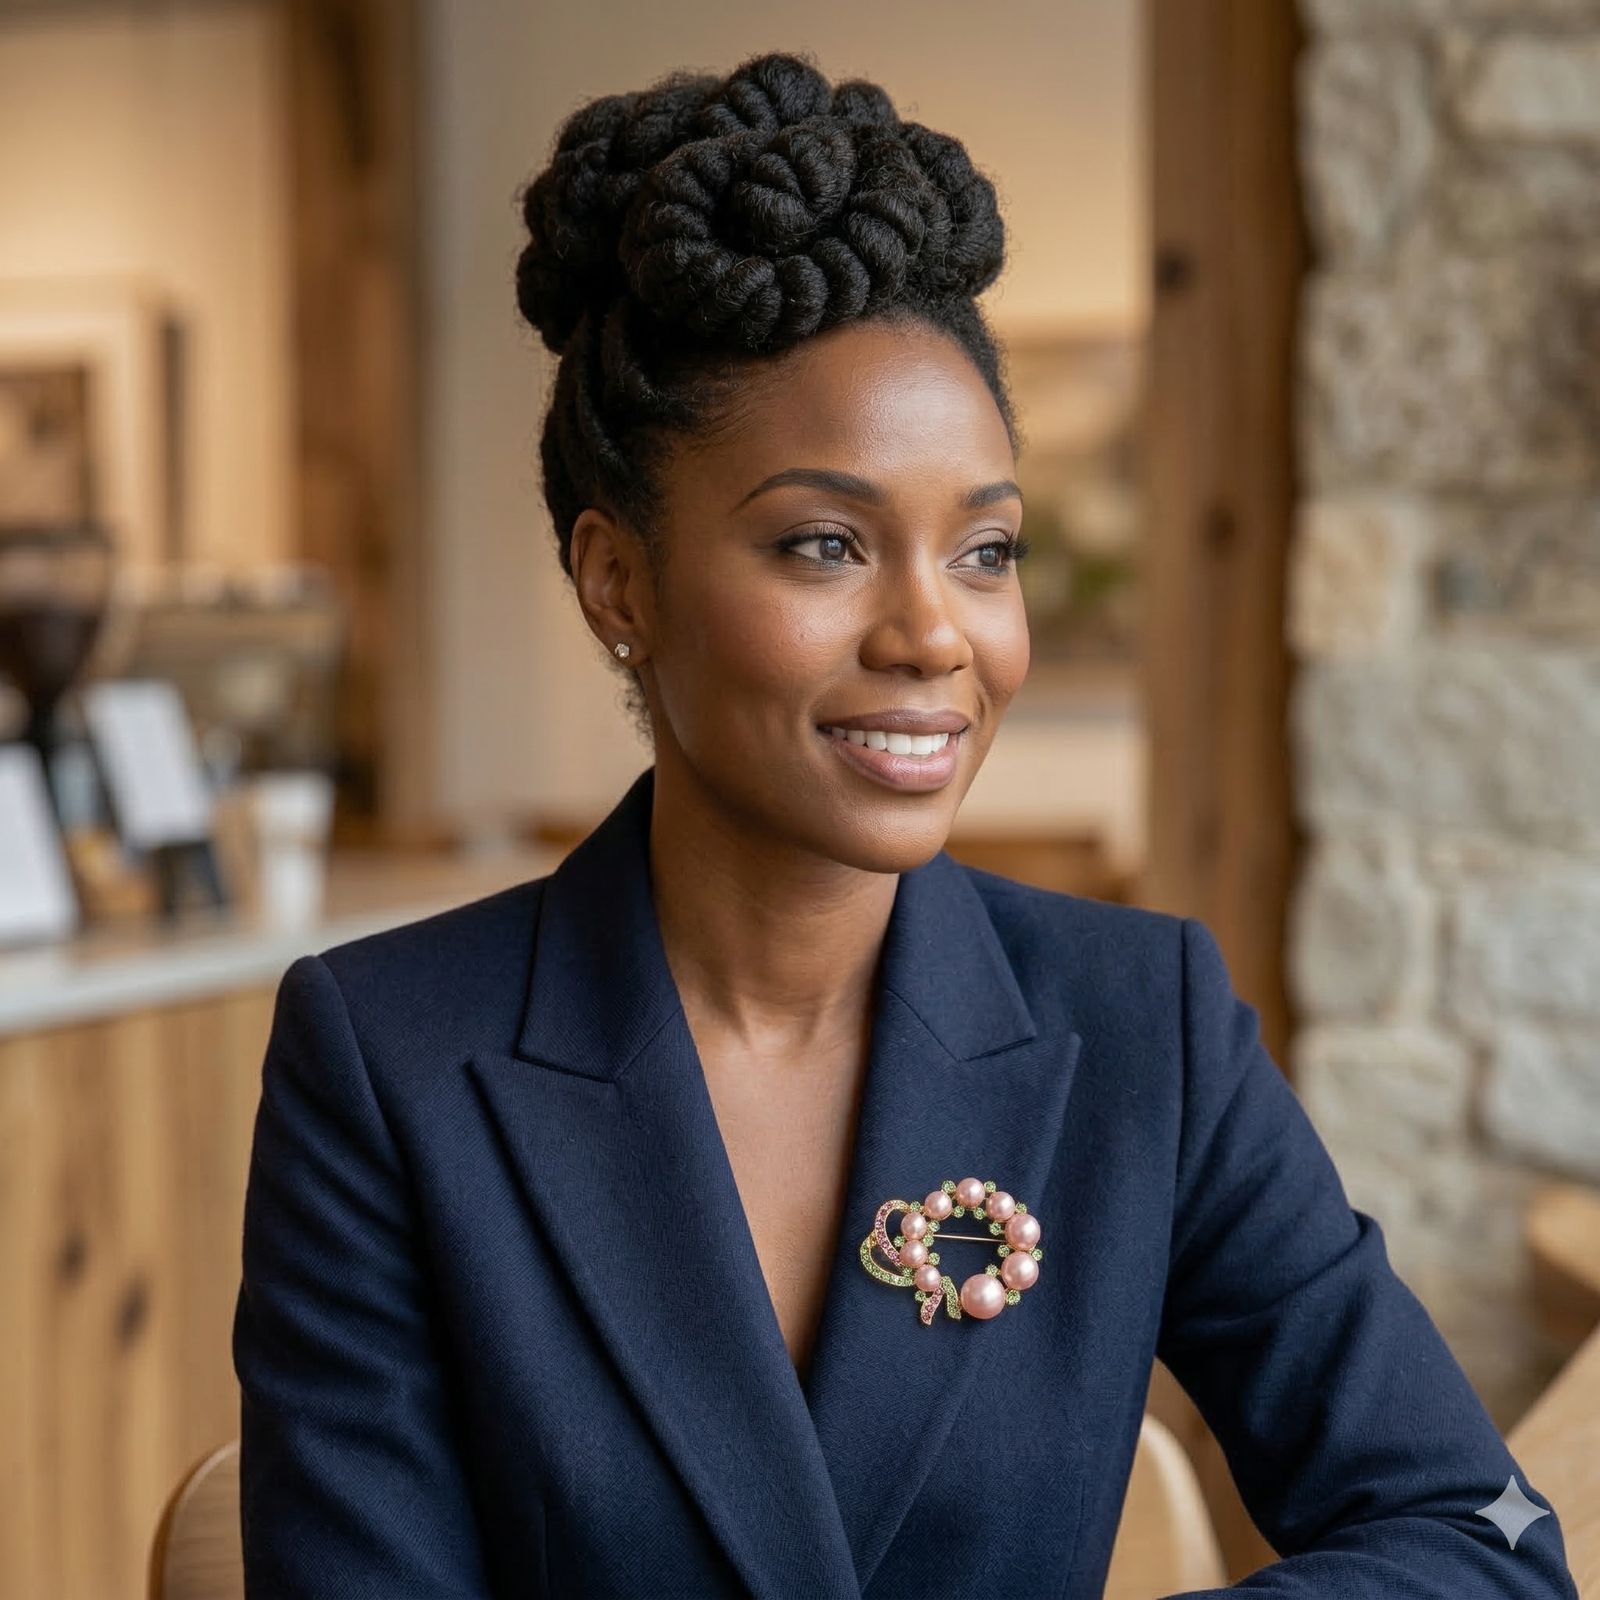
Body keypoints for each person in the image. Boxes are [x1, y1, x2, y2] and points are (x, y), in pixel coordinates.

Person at [231, 48, 1579, 1600]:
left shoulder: (1147, 1027)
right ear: (620, 582)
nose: (936, 633)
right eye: (825, 545)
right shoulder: (392, 1061)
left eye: (987, 551)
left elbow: (1480, 1542)